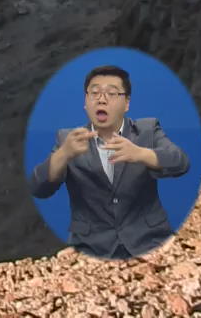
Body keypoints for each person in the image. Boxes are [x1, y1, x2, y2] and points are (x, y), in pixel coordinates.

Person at [27, 64, 190, 259]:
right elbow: (38, 188)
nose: (102, 99)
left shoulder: (147, 130)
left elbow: (180, 162)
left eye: (112, 94)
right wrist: (63, 154)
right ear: (85, 102)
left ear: (127, 103)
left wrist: (141, 154)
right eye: (94, 93)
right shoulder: (68, 139)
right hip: (92, 248)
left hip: (150, 241)